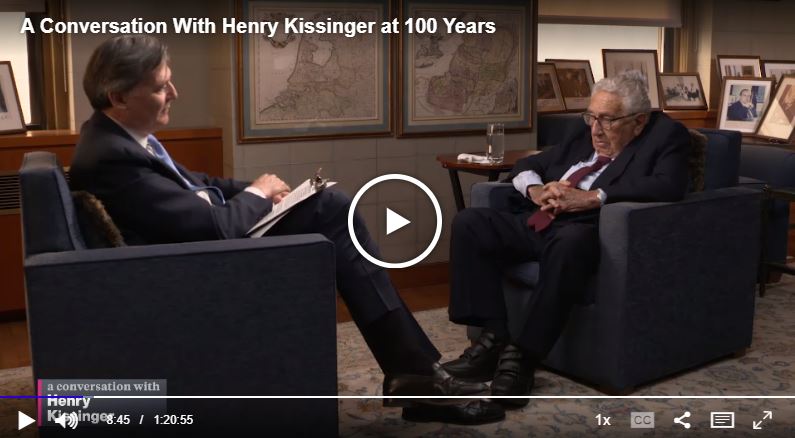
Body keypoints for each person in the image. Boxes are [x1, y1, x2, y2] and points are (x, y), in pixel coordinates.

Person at [69, 35, 504, 425]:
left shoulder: (119, 138)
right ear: (118, 96)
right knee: (333, 208)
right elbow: (215, 230)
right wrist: (258, 194)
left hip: (192, 257)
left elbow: (201, 183)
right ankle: (416, 374)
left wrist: (269, 192)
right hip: (191, 274)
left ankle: (415, 373)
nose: (174, 93)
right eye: (161, 86)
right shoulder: (111, 155)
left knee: (328, 209)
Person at [443, 71, 691, 406]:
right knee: (470, 222)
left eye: (607, 120)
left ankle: (522, 357)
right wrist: (536, 190)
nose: (596, 130)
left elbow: (668, 185)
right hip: (542, 219)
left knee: (569, 243)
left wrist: (593, 197)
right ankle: (492, 340)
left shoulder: (665, 135)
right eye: (592, 117)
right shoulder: (584, 133)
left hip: (588, 230)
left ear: (638, 121)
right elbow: (528, 165)